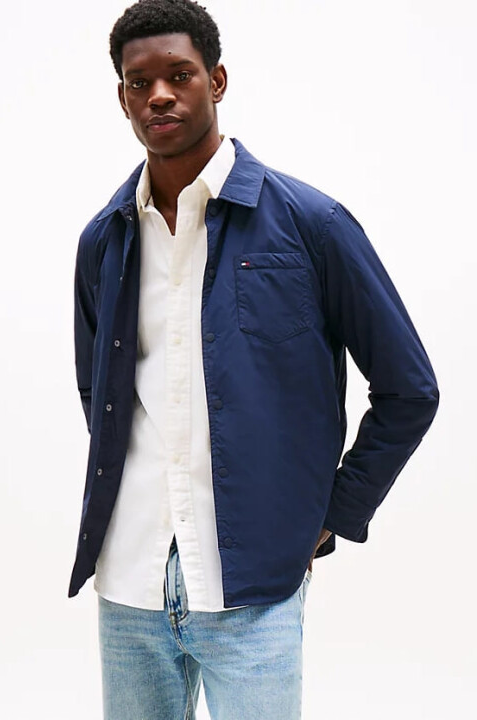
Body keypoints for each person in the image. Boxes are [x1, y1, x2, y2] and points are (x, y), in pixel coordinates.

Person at [69, 1, 439, 718]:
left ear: (217, 80)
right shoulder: (103, 240)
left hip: (255, 585)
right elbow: (99, 393)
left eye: (179, 75)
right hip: (128, 580)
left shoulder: (312, 223)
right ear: (122, 98)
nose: (159, 95)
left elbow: (409, 389)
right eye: (140, 83)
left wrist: (333, 512)